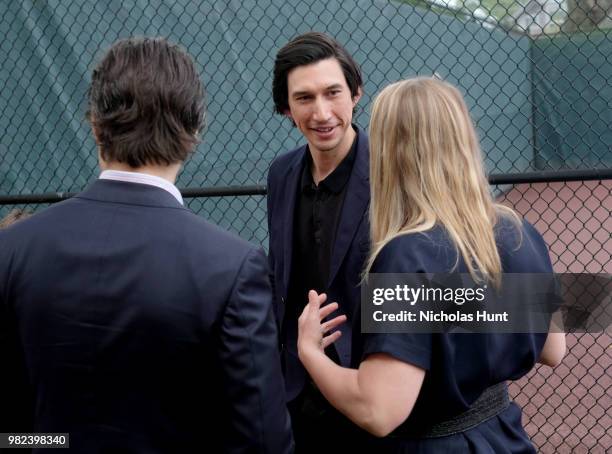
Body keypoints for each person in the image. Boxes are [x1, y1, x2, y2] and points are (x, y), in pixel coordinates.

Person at [0, 37, 292, 453]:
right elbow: (263, 442)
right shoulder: (232, 267)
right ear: (194, 131)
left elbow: (9, 431)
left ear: (95, 125)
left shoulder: (13, 249)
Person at [297, 78, 566, 452]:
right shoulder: (516, 231)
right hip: (502, 437)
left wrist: (310, 353)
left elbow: (379, 410)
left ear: (390, 150)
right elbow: (553, 349)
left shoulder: (404, 257)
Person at [267, 32, 372, 450]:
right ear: (287, 109)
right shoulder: (281, 173)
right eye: (304, 98)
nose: (322, 112)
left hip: (368, 386)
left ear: (356, 93)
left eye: (333, 93)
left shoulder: (392, 170)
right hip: (296, 391)